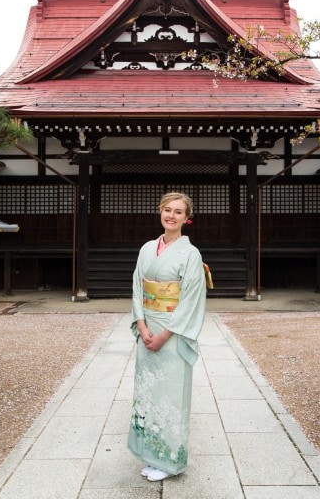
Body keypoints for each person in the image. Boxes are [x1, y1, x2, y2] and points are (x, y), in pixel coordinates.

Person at [127, 192, 207, 482]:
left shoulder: (191, 254)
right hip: (148, 326)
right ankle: (150, 454)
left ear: (187, 218)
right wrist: (142, 324)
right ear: (160, 212)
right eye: (167, 210)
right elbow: (138, 285)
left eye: (178, 212)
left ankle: (169, 459)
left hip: (171, 331)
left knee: (170, 395)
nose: (171, 216)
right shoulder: (147, 248)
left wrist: (164, 334)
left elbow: (191, 299)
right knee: (148, 393)